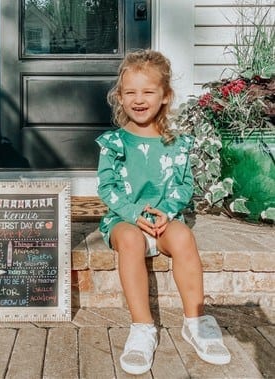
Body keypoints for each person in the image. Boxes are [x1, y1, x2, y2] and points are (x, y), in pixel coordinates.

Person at [95, 49, 231, 375]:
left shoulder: (178, 143)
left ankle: (195, 321)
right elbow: (107, 187)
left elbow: (184, 187)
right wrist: (132, 213)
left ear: (165, 96)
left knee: (184, 237)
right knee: (130, 242)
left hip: (165, 218)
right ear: (120, 97)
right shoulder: (114, 142)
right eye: (130, 92)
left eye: (147, 92)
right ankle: (143, 327)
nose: (138, 99)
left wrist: (167, 212)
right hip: (124, 218)